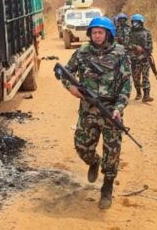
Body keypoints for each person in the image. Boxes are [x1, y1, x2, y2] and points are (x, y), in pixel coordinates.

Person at [63, 16, 132, 209]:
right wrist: (70, 87)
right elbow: (64, 72)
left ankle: (107, 188)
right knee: (82, 147)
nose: (97, 36)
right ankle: (93, 162)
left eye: (101, 32)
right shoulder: (82, 52)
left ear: (108, 34)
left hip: (111, 112)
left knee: (112, 153)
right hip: (88, 110)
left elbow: (127, 85)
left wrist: (118, 108)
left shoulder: (120, 54)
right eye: (94, 32)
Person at [129, 14, 153, 102]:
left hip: (145, 58)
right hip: (134, 58)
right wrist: (135, 47)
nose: (135, 24)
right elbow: (127, 44)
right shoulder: (130, 32)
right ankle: (138, 93)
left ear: (141, 22)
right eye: (134, 22)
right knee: (136, 77)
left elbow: (150, 44)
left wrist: (147, 53)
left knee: (145, 76)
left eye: (137, 22)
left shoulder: (147, 32)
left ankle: (146, 96)